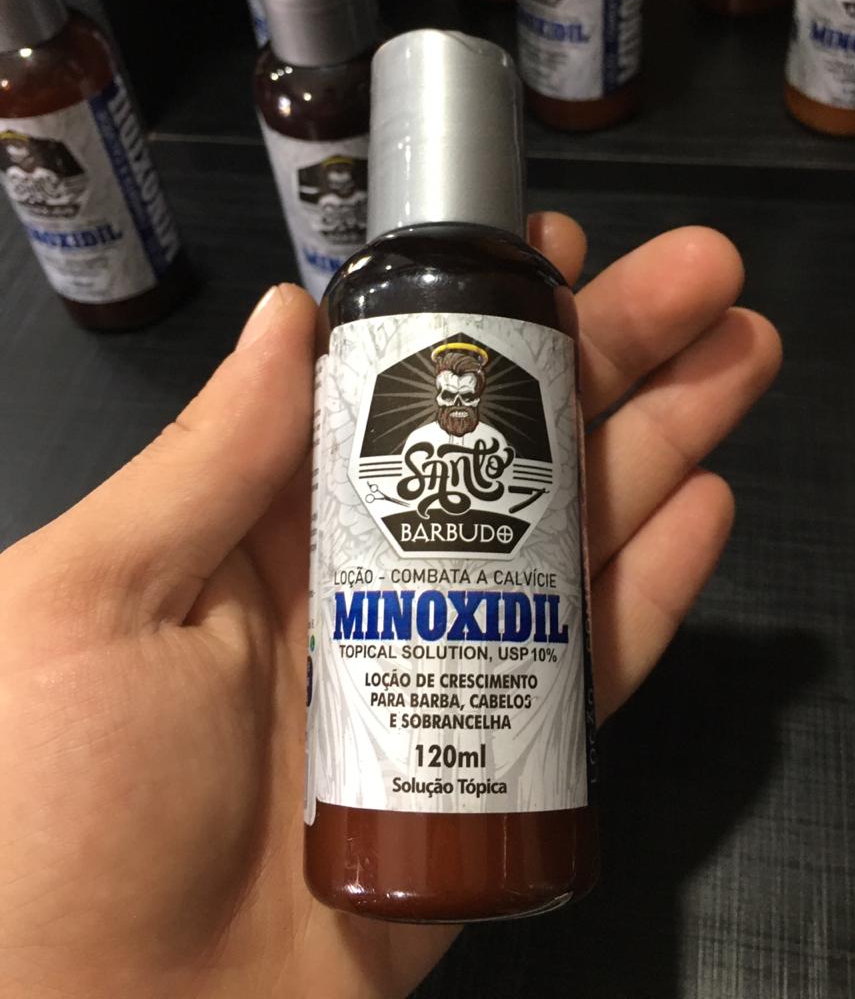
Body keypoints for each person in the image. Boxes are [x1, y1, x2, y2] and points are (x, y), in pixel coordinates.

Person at [0, 215, 781, 999]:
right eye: (445, 394)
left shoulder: (523, 295)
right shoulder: (369, 292)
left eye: (470, 395)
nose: (457, 405)